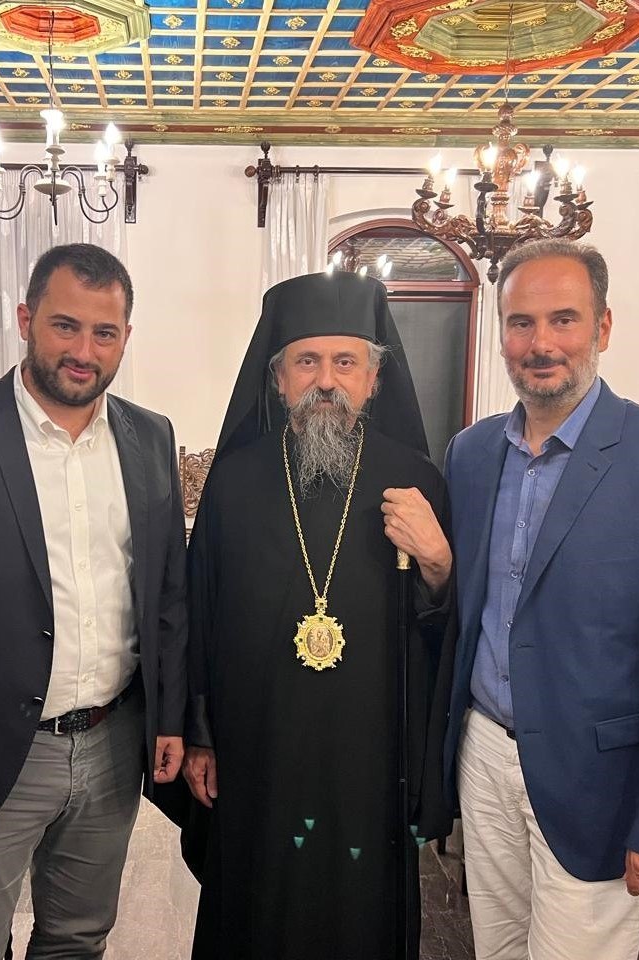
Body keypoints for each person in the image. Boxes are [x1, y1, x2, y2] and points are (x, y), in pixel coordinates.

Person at [443, 239, 639, 960]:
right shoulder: (470, 454)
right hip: (484, 755)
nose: (540, 344)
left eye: (563, 319)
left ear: (602, 326)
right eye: (520, 322)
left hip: (600, 781)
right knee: (495, 949)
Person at [0, 243, 188, 959]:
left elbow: (165, 594)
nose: (83, 351)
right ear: (26, 320)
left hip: (111, 743)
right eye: (65, 326)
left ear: (126, 336)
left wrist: (169, 716)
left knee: (77, 938)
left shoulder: (150, 436)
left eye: (104, 332)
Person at [181, 270, 455, 960]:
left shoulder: (416, 481)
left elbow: (444, 629)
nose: (326, 381)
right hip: (257, 746)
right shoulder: (234, 482)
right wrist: (201, 736)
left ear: (374, 378)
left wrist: (437, 565)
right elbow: (199, 612)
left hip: (372, 751)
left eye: (345, 362)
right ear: (278, 379)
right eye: (307, 361)